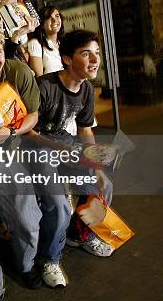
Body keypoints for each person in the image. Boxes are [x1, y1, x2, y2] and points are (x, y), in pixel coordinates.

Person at [0, 24, 72, 292]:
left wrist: (9, 130)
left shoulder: (17, 71)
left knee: (26, 218)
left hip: (12, 150)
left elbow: (32, 116)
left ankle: (26, 263)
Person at [32, 29, 114, 258]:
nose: (96, 60)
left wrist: (96, 167)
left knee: (104, 186)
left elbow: (85, 130)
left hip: (63, 144)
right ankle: (50, 258)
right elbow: (26, 132)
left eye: (97, 53)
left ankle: (79, 234)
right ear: (67, 59)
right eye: (86, 54)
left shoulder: (87, 88)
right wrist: (61, 150)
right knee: (58, 203)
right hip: (37, 150)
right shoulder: (45, 86)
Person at [27, 6, 65, 77]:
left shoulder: (64, 42)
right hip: (51, 87)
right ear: (42, 23)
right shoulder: (36, 43)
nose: (54, 20)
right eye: (48, 17)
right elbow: (40, 78)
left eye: (57, 16)